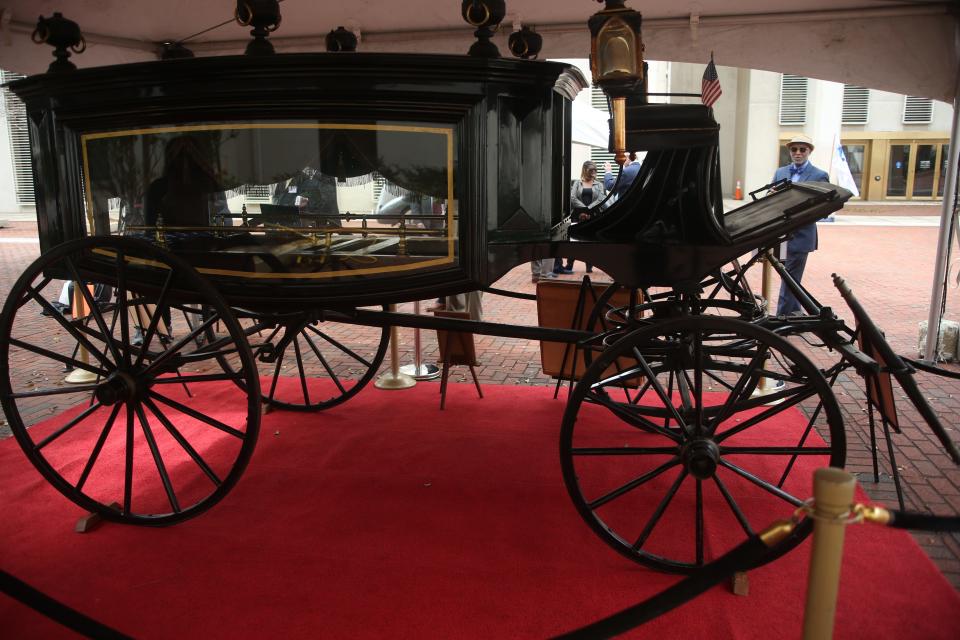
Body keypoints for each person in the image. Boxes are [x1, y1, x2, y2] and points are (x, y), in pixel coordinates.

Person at [772, 134, 829, 316]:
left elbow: (824, 209)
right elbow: (770, 202)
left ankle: (782, 317)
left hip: (800, 235)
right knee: (790, 277)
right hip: (780, 234)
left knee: (789, 278)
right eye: (794, 149)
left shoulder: (819, 175)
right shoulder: (780, 172)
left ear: (809, 151)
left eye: (802, 149)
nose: (798, 153)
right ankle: (795, 312)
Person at [556, 160, 606, 274]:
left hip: (593, 216)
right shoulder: (578, 183)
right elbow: (573, 198)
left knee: (590, 241)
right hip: (578, 215)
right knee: (575, 241)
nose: (594, 172)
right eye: (591, 170)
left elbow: (600, 199)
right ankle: (569, 264)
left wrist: (589, 210)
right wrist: (583, 210)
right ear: (585, 170)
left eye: (595, 170)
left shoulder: (599, 184)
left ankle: (589, 265)